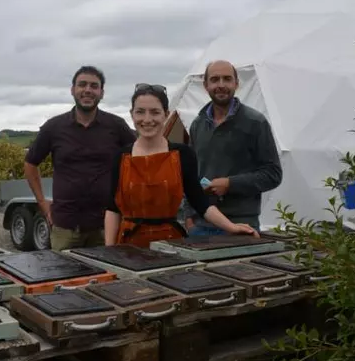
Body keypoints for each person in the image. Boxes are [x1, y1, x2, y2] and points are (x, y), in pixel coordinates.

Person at [104, 83, 257, 248]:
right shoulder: (121, 156)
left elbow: (200, 201)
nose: (147, 119)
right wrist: (109, 252)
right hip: (128, 244)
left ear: (166, 115)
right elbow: (113, 208)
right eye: (140, 112)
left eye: (155, 112)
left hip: (170, 243)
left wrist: (231, 227)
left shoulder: (182, 154)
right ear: (132, 115)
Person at [25, 65, 137, 251]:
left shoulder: (116, 126)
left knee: (107, 279)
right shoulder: (54, 127)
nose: (87, 90)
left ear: (101, 93)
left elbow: (137, 159)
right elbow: (30, 163)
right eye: (82, 85)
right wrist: (43, 203)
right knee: (64, 278)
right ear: (72, 90)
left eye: (94, 86)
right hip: (65, 226)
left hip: (105, 226)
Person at [183, 60, 282, 236]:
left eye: (227, 79)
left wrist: (230, 184)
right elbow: (190, 175)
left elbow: (273, 174)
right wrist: (189, 215)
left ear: (236, 83)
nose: (221, 85)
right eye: (215, 79)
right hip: (200, 225)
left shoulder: (255, 123)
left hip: (241, 224)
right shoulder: (198, 126)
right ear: (206, 85)